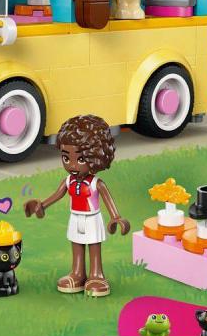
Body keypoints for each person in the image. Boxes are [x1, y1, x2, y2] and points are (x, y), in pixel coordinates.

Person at [24, 115, 129, 297]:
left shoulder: (96, 183)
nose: (72, 165)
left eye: (80, 159)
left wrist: (116, 217)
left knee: (94, 245)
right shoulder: (68, 181)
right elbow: (57, 195)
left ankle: (97, 275)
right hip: (75, 217)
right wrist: (41, 205)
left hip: (92, 218)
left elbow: (107, 200)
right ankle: (78, 273)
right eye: (66, 158)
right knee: (77, 244)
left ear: (96, 156)